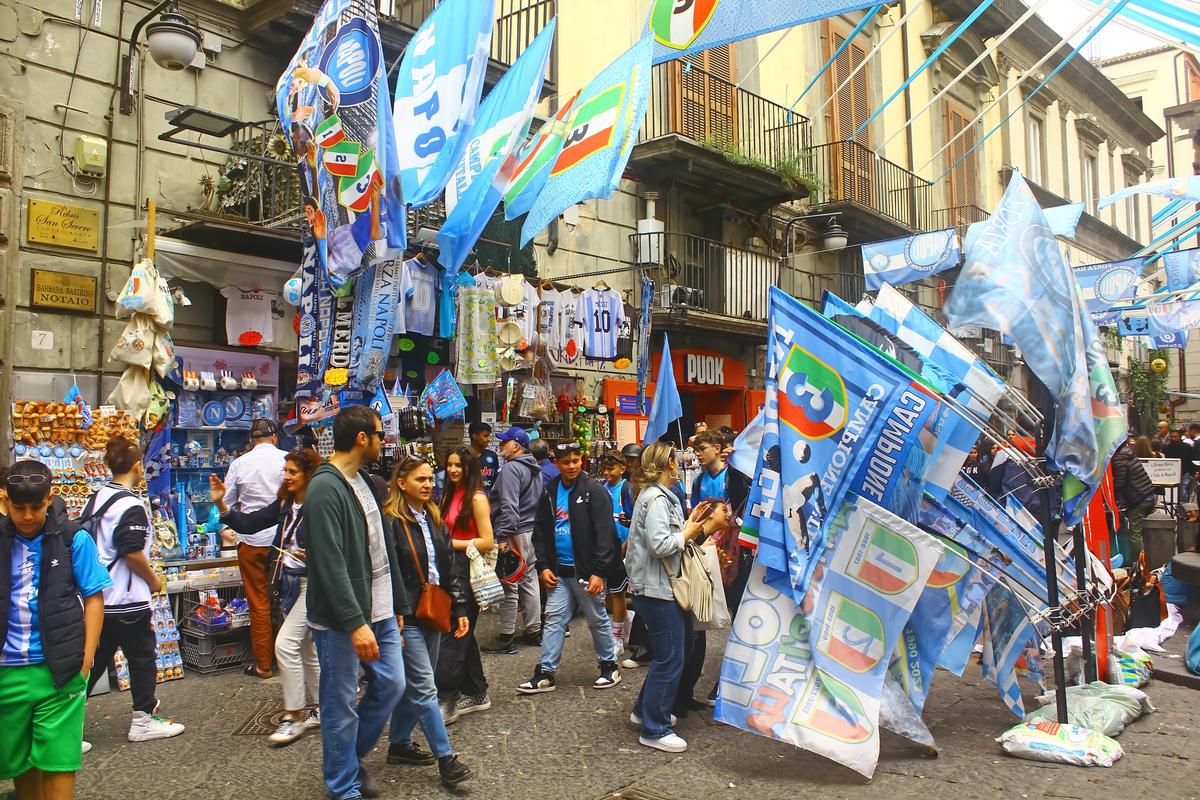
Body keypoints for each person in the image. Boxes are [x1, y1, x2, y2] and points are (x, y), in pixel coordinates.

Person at [303, 406, 411, 800]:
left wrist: (396, 604)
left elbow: (383, 548)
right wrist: (355, 623)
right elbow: (329, 564)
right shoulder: (324, 488)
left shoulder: (365, 480)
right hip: (341, 620)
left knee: (392, 684)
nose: (385, 443)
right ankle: (343, 786)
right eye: (381, 435)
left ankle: (349, 760)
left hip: (379, 610)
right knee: (339, 703)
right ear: (362, 438)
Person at [1, 460, 110, 799]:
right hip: (6, 673)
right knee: (20, 762)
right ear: (5, 502)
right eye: (19, 508)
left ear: (50, 499)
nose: (29, 515)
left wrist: (87, 657)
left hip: (60, 670)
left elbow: (94, 597)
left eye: (37, 506)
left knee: (59, 762)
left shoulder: (72, 538)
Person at [211, 448, 323, 747]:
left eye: (292, 472)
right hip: (289, 585)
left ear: (309, 474)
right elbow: (251, 523)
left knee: (285, 645)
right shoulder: (287, 503)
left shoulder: (320, 504)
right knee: (306, 650)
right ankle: (326, 709)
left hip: (314, 587)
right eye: (285, 471)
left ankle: (294, 717)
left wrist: (314, 555)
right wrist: (222, 503)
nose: (285, 476)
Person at [624, 443, 728, 753]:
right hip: (658, 590)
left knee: (679, 649)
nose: (681, 464)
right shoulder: (656, 498)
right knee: (670, 657)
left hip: (664, 588)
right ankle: (655, 729)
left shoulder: (660, 497)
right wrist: (686, 533)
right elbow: (661, 544)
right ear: (668, 464)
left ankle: (645, 710)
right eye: (676, 460)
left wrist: (688, 523)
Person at [83, 438, 185, 744]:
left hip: (100, 598)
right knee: (142, 658)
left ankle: (64, 724)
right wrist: (153, 580)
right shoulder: (131, 504)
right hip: (127, 600)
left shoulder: (96, 497)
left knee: (93, 661)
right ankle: (143, 718)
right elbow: (131, 551)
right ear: (138, 466)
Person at [383, 457, 473, 788]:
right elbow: (390, 573)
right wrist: (396, 613)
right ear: (401, 483)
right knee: (425, 687)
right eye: (420, 479)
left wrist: (459, 608)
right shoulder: (392, 522)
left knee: (418, 683)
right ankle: (446, 759)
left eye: (429, 480)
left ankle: (400, 744)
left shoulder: (433, 519)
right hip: (408, 614)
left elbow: (448, 567)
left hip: (435, 608)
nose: (428, 484)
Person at [517, 442, 622, 695]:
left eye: (576, 461)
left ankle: (609, 666)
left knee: (597, 618)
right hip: (559, 572)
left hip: (586, 572)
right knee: (553, 620)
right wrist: (543, 567)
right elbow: (540, 531)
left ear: (581, 461)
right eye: (566, 462)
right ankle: (545, 673)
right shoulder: (549, 491)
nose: (572, 466)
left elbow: (606, 534)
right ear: (556, 463)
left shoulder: (594, 490)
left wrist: (598, 571)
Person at [222, 418, 288, 678]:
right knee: (290, 600)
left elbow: (224, 503)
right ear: (274, 438)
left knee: (259, 603)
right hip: (284, 542)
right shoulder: (287, 459)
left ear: (252, 441)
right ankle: (292, 661)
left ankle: (263, 665)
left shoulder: (240, 464)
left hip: (252, 541)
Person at [435, 448, 495, 723]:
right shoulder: (448, 494)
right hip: (447, 569)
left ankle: (448, 696)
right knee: (464, 630)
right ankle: (477, 691)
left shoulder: (477, 498)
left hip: (466, 571)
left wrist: (450, 543)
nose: (453, 470)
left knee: (454, 631)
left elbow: (487, 541)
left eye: (458, 465)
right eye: (449, 465)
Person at [485, 427, 543, 654]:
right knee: (528, 580)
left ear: (516, 445)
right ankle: (533, 630)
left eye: (504, 442)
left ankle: (506, 637)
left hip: (514, 533)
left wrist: (501, 536)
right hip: (531, 532)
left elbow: (509, 507)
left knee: (509, 584)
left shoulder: (511, 469)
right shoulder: (534, 468)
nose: (501, 446)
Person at [600, 454, 631, 656]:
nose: (607, 472)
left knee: (617, 592)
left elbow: (635, 521)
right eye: (605, 468)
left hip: (624, 548)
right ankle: (629, 620)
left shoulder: (628, 489)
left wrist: (625, 547)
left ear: (622, 468)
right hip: (606, 548)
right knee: (607, 595)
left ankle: (617, 637)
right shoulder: (602, 489)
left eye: (611, 468)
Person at [1111, 440, 1159, 561]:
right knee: (1147, 531)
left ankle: (1138, 563)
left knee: (1134, 534)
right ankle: (1151, 556)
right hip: (1148, 495)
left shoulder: (1119, 460)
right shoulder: (1128, 453)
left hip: (1138, 499)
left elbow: (1120, 483)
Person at [468, 422, 499, 493]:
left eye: (489, 436)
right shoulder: (463, 455)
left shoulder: (492, 456)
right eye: (485, 436)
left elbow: (496, 480)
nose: (488, 439)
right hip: (467, 499)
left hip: (488, 499)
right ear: (475, 436)